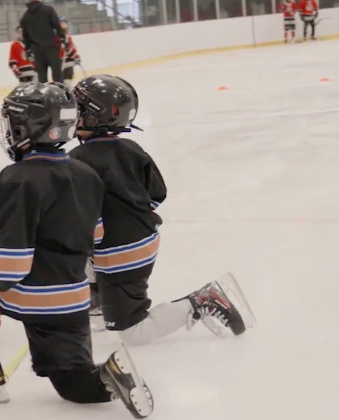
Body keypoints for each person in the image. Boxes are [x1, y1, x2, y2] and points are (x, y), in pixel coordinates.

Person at [0, 83, 152, 417]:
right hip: (72, 299)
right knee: (74, 386)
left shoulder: (18, 177)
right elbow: (97, 233)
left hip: (26, 293)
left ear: (24, 127)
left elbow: (11, 263)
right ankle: (109, 375)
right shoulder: (86, 173)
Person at [69, 74, 253, 347]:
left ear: (92, 116)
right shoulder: (132, 149)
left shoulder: (75, 161)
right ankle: (99, 298)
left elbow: (80, 220)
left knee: (134, 332)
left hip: (120, 254)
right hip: (144, 239)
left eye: (77, 110)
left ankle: (201, 300)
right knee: (83, 258)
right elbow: (156, 194)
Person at [19, 0, 64, 83]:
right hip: (51, 46)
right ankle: (60, 94)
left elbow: (25, 35)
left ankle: (43, 96)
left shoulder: (25, 16)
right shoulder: (48, 10)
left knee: (42, 76)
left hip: (36, 49)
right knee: (57, 75)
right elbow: (57, 25)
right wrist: (62, 38)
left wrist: (27, 49)